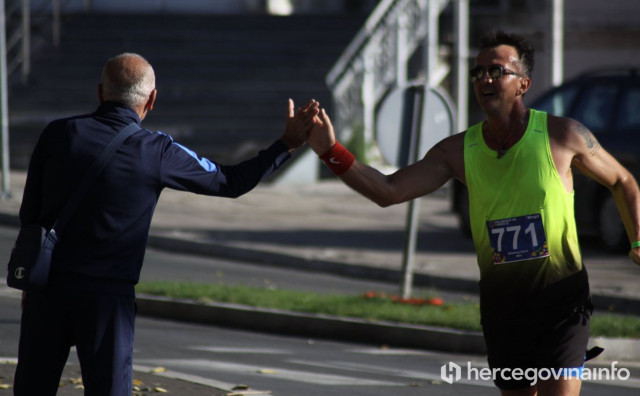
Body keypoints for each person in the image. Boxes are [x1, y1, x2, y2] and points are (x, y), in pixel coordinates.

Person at [308, 31, 640, 395]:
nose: (484, 79)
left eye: (496, 71)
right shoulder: (457, 151)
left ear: (523, 83)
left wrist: (638, 238)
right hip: (503, 305)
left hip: (561, 299)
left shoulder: (562, 135)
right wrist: (331, 152)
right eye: (478, 72)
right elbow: (389, 191)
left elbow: (623, 180)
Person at [13, 52, 319, 395]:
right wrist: (286, 145)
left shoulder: (57, 134)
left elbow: (31, 213)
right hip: (107, 299)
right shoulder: (156, 151)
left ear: (100, 92)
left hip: (47, 288)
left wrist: (30, 281)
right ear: (152, 99)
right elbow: (230, 181)